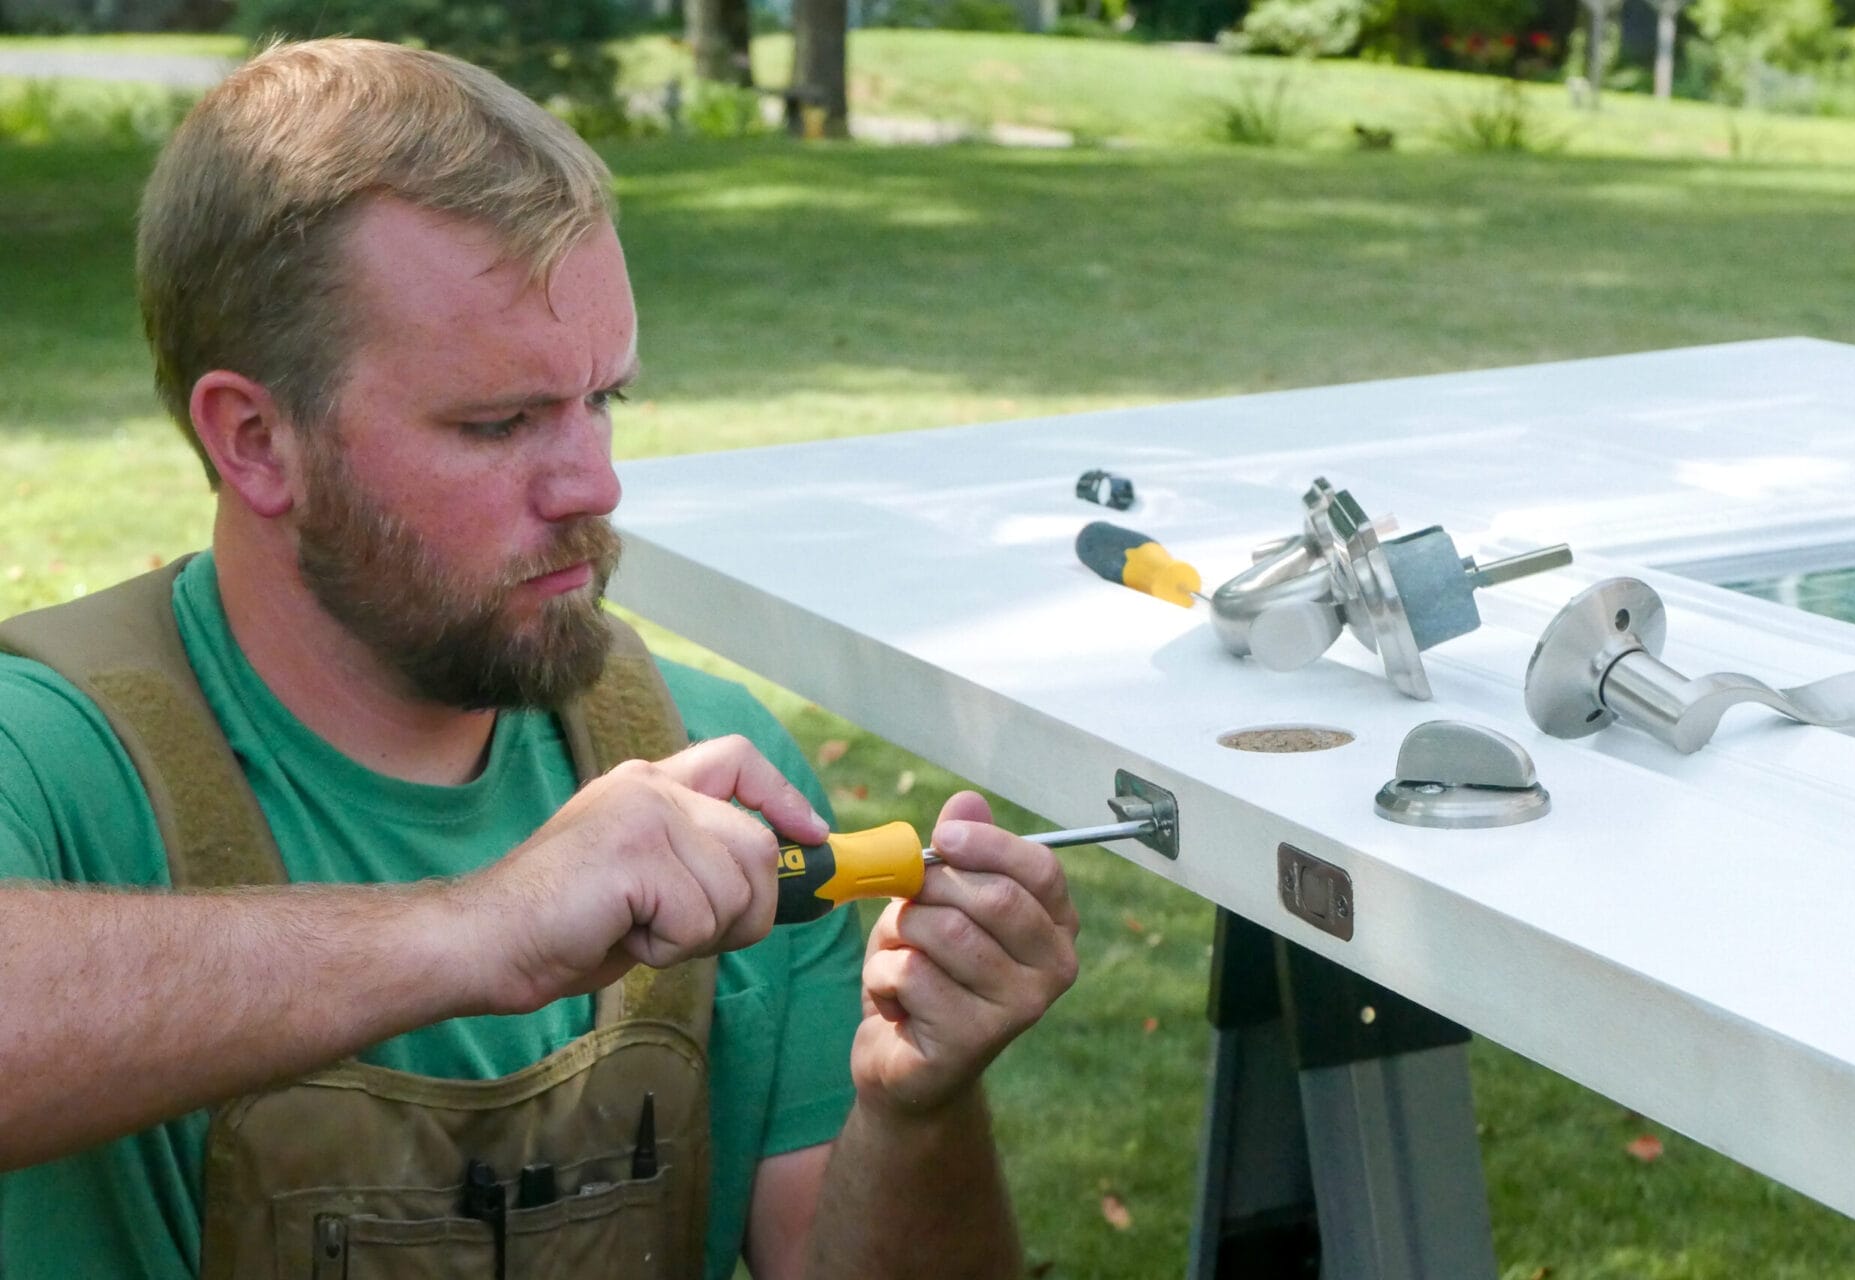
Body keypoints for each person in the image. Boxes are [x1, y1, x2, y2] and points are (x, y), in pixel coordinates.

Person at [0, 37, 1079, 1280]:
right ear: (256, 441)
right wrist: (473, 929)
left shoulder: (712, 777)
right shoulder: (54, 752)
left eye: (602, 400)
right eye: (500, 422)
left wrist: (919, 1102)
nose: (593, 484)